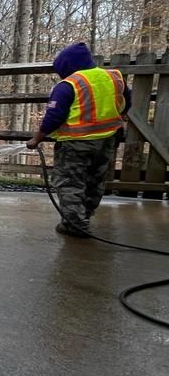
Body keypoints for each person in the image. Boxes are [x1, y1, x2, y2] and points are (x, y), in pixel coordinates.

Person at [26, 42, 131, 237]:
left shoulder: (69, 85)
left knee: (70, 182)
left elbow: (53, 117)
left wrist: (36, 139)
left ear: (68, 66)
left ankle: (74, 224)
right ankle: (84, 216)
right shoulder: (114, 77)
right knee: (95, 180)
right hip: (107, 140)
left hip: (76, 144)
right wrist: (120, 115)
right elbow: (126, 101)